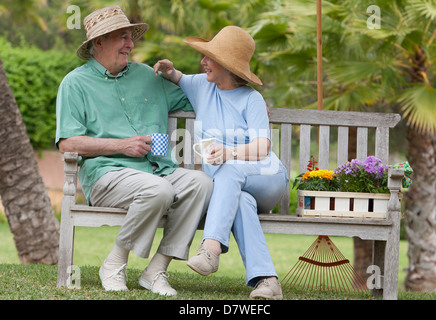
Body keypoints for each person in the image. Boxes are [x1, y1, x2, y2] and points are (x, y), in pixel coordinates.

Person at [55, 6, 213, 296]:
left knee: (201, 183)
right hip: (107, 174)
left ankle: (156, 271)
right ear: (98, 42)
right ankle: (114, 264)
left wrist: (243, 97)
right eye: (122, 38)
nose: (130, 45)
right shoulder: (74, 84)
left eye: (131, 38)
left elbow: (204, 98)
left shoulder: (149, 76)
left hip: (157, 169)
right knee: (158, 190)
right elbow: (68, 143)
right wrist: (121, 145)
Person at [154, 26, 289, 299]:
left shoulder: (252, 99)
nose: (203, 62)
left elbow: (263, 146)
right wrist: (168, 71)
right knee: (240, 201)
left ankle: (211, 249)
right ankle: (268, 281)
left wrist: (229, 153)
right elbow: (176, 76)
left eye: (210, 57)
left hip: (267, 177)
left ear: (228, 66)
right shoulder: (203, 87)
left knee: (228, 173)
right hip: (233, 189)